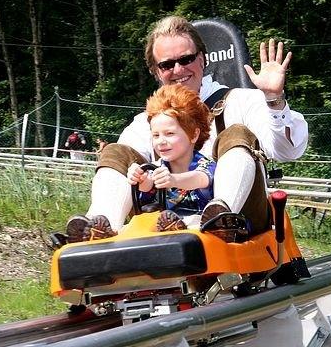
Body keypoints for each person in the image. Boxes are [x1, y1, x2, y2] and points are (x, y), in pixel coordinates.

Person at [65, 15, 308, 243]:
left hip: (244, 224)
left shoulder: (241, 102)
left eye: (186, 59)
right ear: (156, 72)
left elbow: (288, 150)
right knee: (117, 152)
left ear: (202, 60)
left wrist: (274, 99)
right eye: (167, 64)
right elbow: (126, 168)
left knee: (235, 133)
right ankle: (99, 227)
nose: (179, 70)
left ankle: (221, 218)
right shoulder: (146, 123)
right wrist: (137, 175)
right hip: (168, 223)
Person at [127, 84, 215, 232]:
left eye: (169, 134)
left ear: (194, 135)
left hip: (199, 228)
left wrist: (173, 180)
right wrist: (140, 179)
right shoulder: (156, 167)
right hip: (164, 232)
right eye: (156, 135)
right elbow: (149, 184)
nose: (161, 141)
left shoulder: (205, 165)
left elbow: (200, 179)